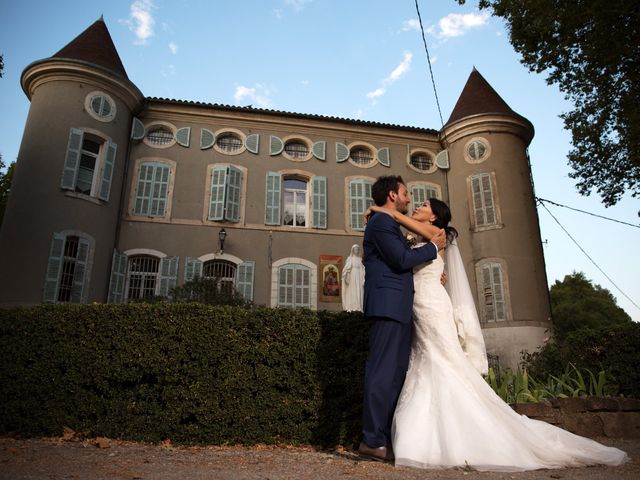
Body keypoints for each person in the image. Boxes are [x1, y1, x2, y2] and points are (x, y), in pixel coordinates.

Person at [367, 198, 629, 471]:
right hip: (418, 304)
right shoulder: (417, 238)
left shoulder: (437, 234)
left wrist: (382, 211)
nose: (418, 206)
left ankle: (449, 440)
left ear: (434, 218)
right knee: (427, 362)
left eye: (424, 205)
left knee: (443, 362)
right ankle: (433, 437)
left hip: (431, 305)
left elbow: (398, 220)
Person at [358, 176, 447, 462]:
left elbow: (399, 256)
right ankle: (372, 440)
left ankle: (381, 439)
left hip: (398, 305)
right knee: (383, 373)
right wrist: (433, 250)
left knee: (394, 374)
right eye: (406, 194)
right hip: (388, 305)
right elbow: (400, 259)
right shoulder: (382, 223)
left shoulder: (387, 221)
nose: (409, 199)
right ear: (393, 196)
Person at [341, 244, 365, 312]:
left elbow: (362, 269)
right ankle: (351, 306)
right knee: (352, 291)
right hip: (352, 277)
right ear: (353, 250)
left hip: (359, 277)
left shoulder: (360, 259)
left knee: (359, 291)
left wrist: (363, 278)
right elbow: (346, 269)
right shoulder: (350, 259)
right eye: (355, 249)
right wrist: (346, 273)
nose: (356, 250)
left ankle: (358, 306)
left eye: (357, 249)